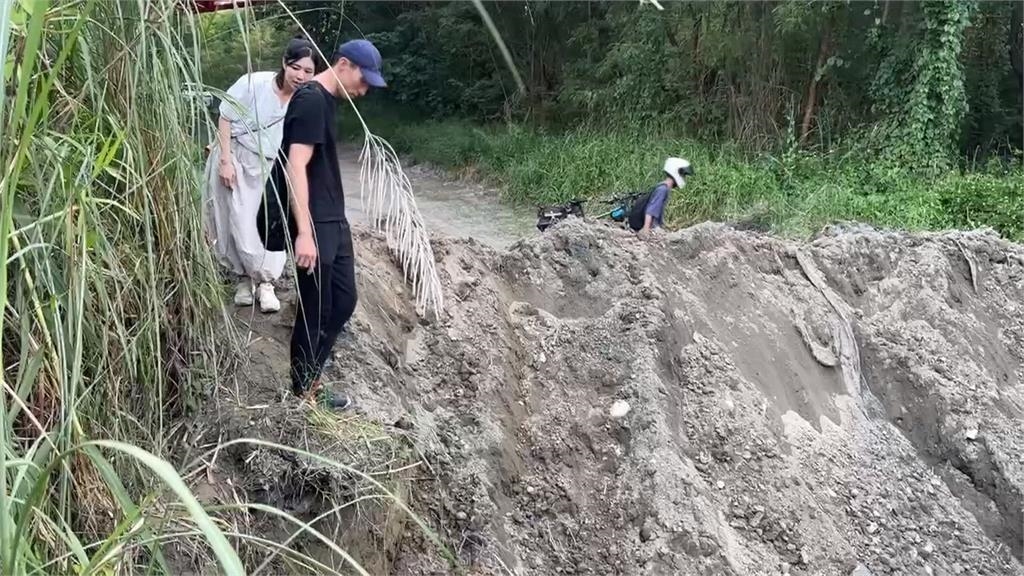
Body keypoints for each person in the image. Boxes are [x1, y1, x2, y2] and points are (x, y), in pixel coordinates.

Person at [272, 39, 386, 409]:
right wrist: (304, 232)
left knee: (344, 300)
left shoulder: (327, 102)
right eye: (363, 79)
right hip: (314, 221)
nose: (365, 89)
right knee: (315, 308)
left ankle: (312, 373)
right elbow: (296, 167)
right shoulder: (309, 100)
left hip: (334, 218)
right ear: (342, 64)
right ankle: (304, 390)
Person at [203, 37, 316, 313]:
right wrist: (226, 161)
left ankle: (266, 283)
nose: (300, 76)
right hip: (238, 156)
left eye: (308, 71)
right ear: (284, 63)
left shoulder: (306, 99)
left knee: (267, 222)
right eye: (296, 68)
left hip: (270, 165)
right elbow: (225, 117)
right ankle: (243, 279)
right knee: (233, 219)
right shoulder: (254, 83)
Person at [628, 157, 694, 236]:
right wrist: (646, 230)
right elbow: (650, 211)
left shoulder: (662, 186)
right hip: (647, 227)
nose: (684, 178)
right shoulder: (662, 190)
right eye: (683, 175)